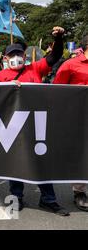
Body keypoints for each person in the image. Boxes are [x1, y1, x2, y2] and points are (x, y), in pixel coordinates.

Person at [0, 26, 69, 216]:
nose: (16, 57)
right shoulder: (0, 76)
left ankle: (48, 199)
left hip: (37, 124)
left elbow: (54, 56)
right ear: (5, 59)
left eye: (19, 54)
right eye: (12, 55)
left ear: (25, 56)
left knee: (42, 161)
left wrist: (59, 38)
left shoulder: (35, 68)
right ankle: (17, 197)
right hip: (13, 126)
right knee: (16, 162)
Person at [53, 34, 88, 212]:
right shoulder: (70, 65)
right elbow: (58, 92)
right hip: (79, 117)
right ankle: (79, 192)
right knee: (82, 154)